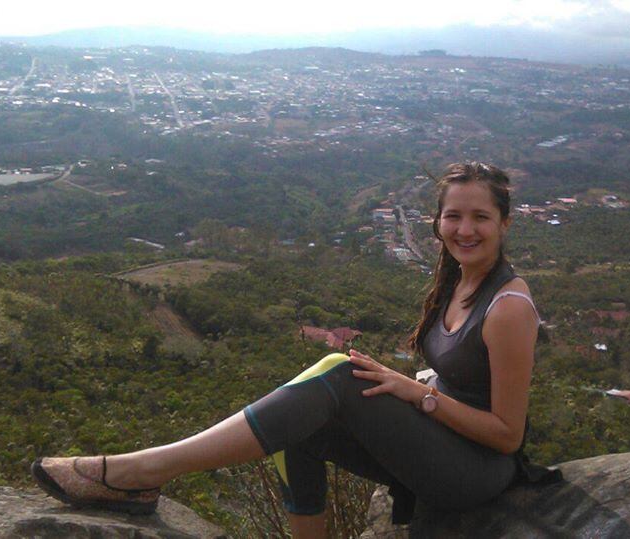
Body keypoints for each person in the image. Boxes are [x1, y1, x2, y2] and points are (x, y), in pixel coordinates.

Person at [31, 161, 557, 538]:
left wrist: (417, 397)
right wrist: (426, 384)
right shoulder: (456, 280)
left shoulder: (508, 306)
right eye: (453, 217)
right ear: (437, 222)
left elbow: (508, 436)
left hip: (477, 471)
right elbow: (463, 376)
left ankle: (141, 472)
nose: (465, 229)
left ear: (505, 224)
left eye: (481, 218)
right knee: (304, 420)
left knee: (333, 375)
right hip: (444, 441)